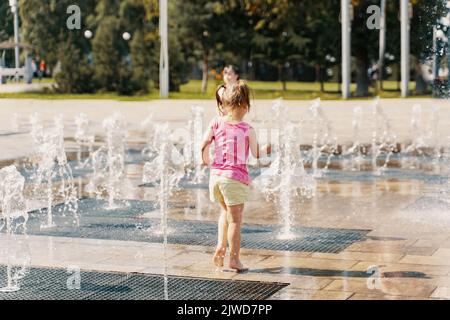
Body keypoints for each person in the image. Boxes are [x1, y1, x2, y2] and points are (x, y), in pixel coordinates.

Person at [201, 80, 271, 272]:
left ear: (226, 103)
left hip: (216, 177)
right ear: (246, 105)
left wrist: (204, 158)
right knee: (235, 221)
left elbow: (204, 142)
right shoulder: (247, 129)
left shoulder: (216, 122)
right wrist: (270, 147)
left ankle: (220, 247)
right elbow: (257, 154)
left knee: (225, 212)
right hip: (234, 179)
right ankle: (234, 259)